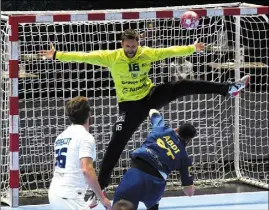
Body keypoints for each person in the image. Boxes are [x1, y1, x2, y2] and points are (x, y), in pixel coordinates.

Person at [40, 29, 250, 207]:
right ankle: (98, 188)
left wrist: (191, 49)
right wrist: (57, 54)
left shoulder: (145, 53)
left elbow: (167, 52)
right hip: (130, 107)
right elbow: (84, 56)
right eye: (128, 46)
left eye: (134, 46)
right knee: (116, 143)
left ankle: (228, 89)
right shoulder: (111, 57)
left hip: (149, 96)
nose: (131, 49)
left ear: (138, 44)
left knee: (182, 86)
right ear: (122, 44)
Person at [112, 109, 196, 210]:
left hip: (136, 175)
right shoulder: (185, 158)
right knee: (152, 204)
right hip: (156, 185)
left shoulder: (161, 128)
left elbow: (152, 111)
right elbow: (189, 192)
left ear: (176, 129)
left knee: (121, 205)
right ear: (188, 140)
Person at [48, 96, 111, 210]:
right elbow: (86, 169)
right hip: (70, 197)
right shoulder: (85, 137)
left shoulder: (60, 137)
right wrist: (102, 198)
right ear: (89, 114)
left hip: (54, 193)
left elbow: (57, 168)